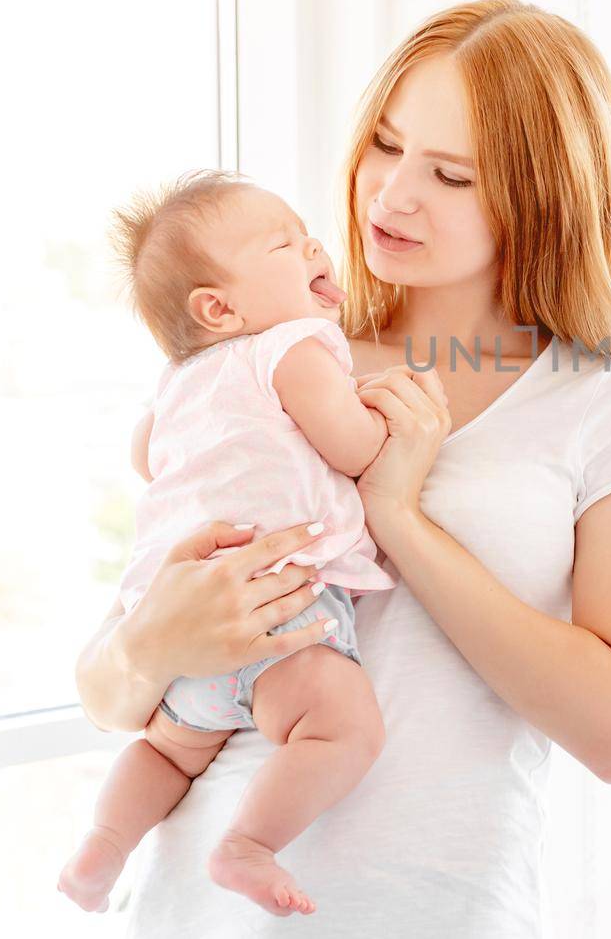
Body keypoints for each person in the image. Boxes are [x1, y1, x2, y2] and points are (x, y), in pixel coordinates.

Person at [73, 0, 611, 936]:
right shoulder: (263, 362)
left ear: (542, 198)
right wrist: (152, 643)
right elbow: (108, 692)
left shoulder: (610, 411)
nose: (391, 196)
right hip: (195, 910)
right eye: (384, 145)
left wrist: (400, 516)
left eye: (450, 176)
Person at [59, 175, 395, 917]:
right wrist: (381, 419)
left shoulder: (175, 383)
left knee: (163, 753)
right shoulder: (295, 347)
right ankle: (248, 843)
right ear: (218, 307)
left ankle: (104, 846)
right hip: (277, 614)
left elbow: (149, 459)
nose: (312, 246)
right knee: (343, 728)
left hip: (183, 635)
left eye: (307, 233)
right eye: (284, 243)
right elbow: (353, 447)